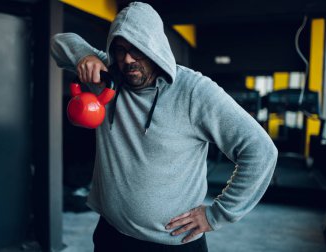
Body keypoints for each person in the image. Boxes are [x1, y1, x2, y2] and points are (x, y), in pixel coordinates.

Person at [51, 2, 278, 251]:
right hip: (110, 235)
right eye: (119, 49)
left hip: (173, 244)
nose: (127, 59)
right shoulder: (108, 78)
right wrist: (85, 56)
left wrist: (217, 214)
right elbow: (59, 42)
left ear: (154, 46)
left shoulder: (195, 91)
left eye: (136, 49)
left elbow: (261, 151)